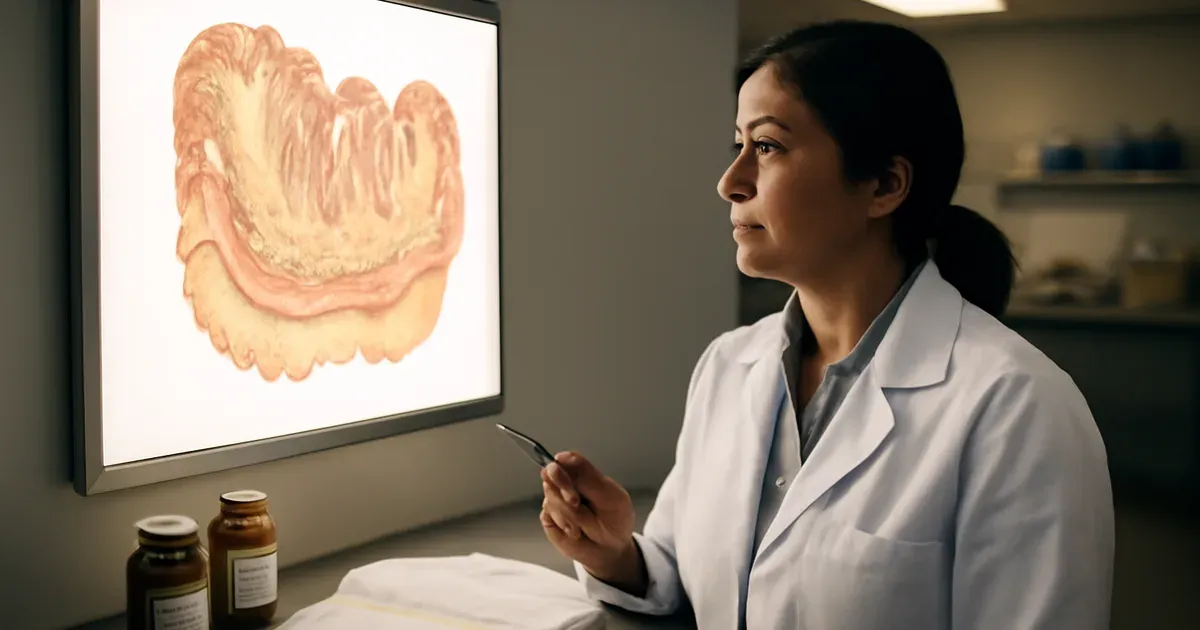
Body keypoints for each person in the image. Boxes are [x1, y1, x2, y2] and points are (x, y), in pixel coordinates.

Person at [539, 20, 1115, 630]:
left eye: (767, 147)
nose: (730, 182)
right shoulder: (729, 365)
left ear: (884, 185)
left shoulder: (1017, 405)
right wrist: (613, 554)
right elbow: (687, 579)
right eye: (737, 144)